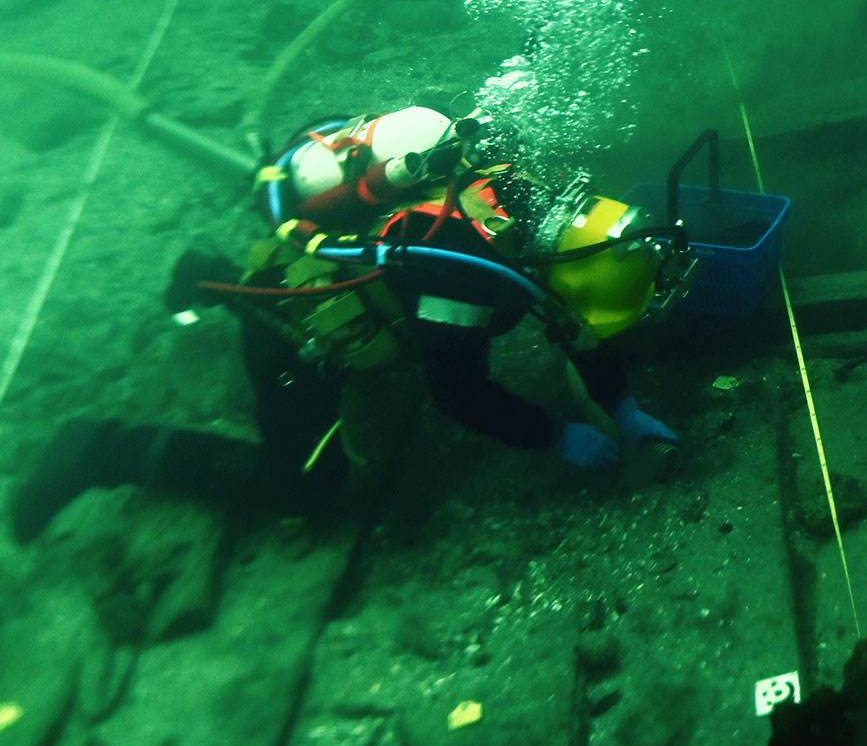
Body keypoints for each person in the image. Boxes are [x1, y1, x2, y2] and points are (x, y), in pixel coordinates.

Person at [8, 106, 680, 543]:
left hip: (387, 258)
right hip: (295, 313)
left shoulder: (542, 198)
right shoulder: (466, 270)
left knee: (427, 333)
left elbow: (576, 321)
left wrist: (619, 403)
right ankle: (97, 448)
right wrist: (555, 434)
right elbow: (457, 394)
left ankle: (232, 279)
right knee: (303, 489)